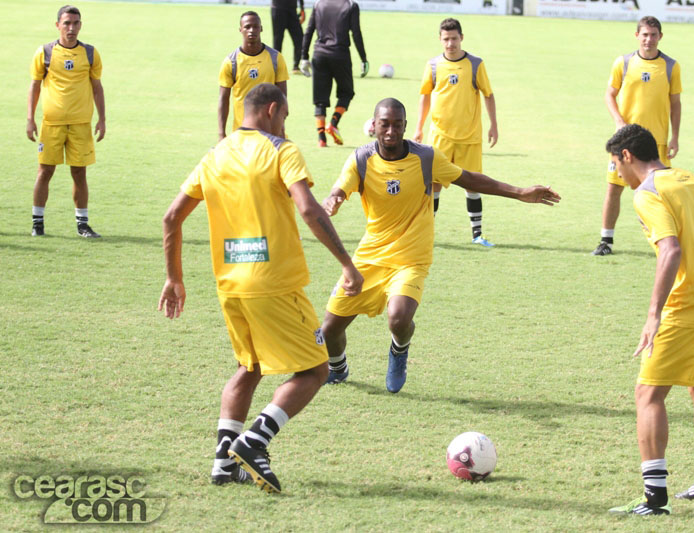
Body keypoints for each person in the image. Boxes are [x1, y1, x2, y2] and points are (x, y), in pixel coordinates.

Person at [159, 83, 363, 493]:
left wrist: (174, 278)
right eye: (284, 117)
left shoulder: (215, 155)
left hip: (231, 285)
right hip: (274, 283)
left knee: (249, 367)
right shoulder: (281, 150)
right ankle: (254, 442)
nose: (285, 126)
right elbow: (308, 209)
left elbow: (171, 218)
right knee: (316, 369)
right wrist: (347, 263)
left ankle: (223, 464)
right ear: (272, 109)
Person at [322, 98, 560, 393]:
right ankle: (338, 367)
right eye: (385, 124)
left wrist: (520, 192)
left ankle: (399, 350)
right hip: (370, 257)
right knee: (329, 330)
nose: (391, 131)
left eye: (397, 124)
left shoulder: (426, 158)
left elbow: (469, 178)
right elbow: (338, 190)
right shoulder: (361, 159)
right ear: (374, 125)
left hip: (411, 258)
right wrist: (333, 199)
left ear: (406, 126)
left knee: (399, 318)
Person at [605, 124, 694, 516]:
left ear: (628, 155)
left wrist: (654, 315)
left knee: (648, 395)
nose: (616, 172)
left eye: (615, 164)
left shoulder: (649, 192)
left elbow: (671, 250)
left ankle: (655, 499)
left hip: (689, 304)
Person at [592, 16, 682, 256]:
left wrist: (675, 137)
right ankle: (606, 241)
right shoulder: (623, 63)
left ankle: (667, 242)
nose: (648, 39)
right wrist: (619, 121)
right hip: (625, 141)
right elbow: (609, 95)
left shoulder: (671, 66)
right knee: (614, 187)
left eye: (653, 35)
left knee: (661, 192)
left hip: (656, 142)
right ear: (636, 36)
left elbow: (675, 103)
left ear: (660, 37)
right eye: (644, 34)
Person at [413, 18, 498, 247]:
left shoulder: (475, 64)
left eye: (454, 38)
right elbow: (425, 96)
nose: (450, 43)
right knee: (434, 184)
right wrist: (419, 127)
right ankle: (426, 234)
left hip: (470, 137)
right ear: (440, 39)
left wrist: (494, 125)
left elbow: (488, 95)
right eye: (446, 39)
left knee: (473, 185)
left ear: (462, 38)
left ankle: (477, 235)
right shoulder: (433, 65)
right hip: (440, 136)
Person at [27, 5, 105, 238]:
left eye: (76, 23)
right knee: (45, 171)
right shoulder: (45, 52)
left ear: (81, 25)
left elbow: (97, 87)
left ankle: (82, 225)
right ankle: (37, 223)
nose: (71, 28)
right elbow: (35, 86)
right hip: (51, 124)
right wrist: (30, 119)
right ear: (58, 25)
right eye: (67, 23)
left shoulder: (90, 53)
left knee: (79, 173)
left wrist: (102, 119)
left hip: (81, 124)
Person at [299, 0, 368, 147]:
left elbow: (309, 30)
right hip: (340, 55)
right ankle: (333, 123)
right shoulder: (351, 5)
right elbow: (356, 33)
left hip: (319, 55)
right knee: (346, 93)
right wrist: (363, 58)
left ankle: (321, 139)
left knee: (320, 99)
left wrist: (304, 56)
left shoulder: (318, 4)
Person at [218, 11, 289, 143]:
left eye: (255, 26)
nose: (252, 30)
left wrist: (281, 127)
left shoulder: (276, 58)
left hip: (270, 134)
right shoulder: (231, 62)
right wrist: (221, 133)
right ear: (240, 29)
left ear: (261, 29)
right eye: (247, 27)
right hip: (241, 134)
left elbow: (282, 96)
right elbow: (223, 99)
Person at [271, 0, 305, 75]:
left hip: (292, 10)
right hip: (278, 9)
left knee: (300, 39)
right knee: (278, 40)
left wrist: (302, 8)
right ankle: (276, 67)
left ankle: (296, 66)